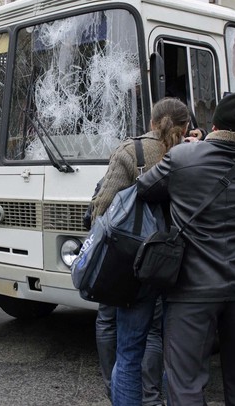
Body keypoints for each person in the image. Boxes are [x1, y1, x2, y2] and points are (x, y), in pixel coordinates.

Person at [137, 92, 235, 405]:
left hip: (191, 287)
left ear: (214, 124)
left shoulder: (182, 158)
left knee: (186, 383)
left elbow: (144, 188)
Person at [89, 97, 189, 405]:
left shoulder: (131, 151)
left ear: (153, 122)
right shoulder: (191, 155)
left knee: (128, 349)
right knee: (162, 337)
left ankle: (119, 394)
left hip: (134, 262)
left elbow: (103, 208)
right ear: (185, 128)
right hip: (175, 261)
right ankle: (153, 398)